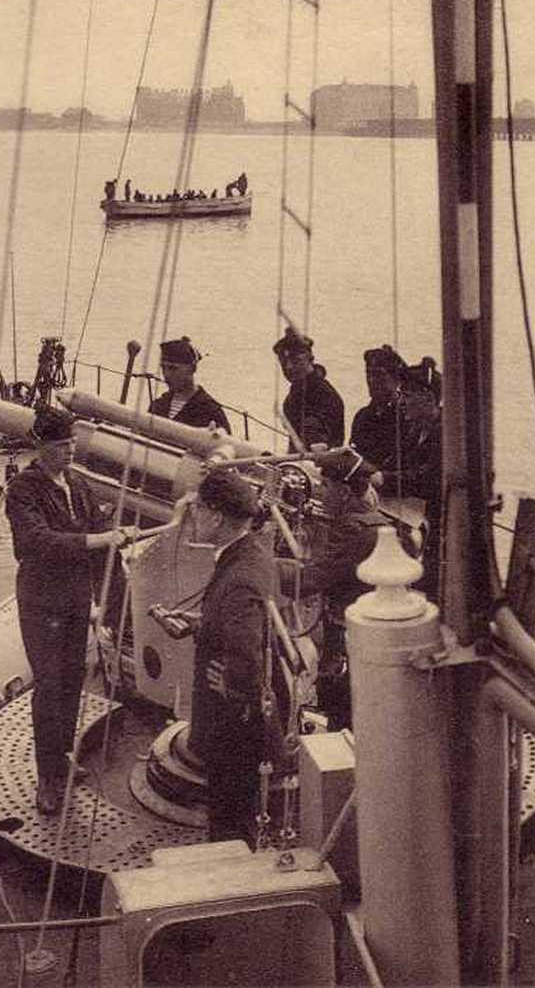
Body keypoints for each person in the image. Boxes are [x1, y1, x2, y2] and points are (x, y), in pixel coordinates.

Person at [5, 406, 130, 816]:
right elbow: (38, 543)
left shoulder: (78, 484)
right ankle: (48, 778)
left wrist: (107, 604)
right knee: (49, 687)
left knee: (74, 682)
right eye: (62, 445)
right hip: (42, 603)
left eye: (73, 443)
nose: (71, 451)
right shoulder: (23, 490)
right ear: (42, 445)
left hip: (76, 601)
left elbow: (99, 542)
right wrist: (101, 539)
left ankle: (62, 760)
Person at [188, 469, 285, 846]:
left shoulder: (239, 575)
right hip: (242, 721)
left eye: (197, 508)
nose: (192, 515)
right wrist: (203, 624)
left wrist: (232, 683)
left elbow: (245, 651)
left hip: (231, 728)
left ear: (216, 516)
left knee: (229, 821)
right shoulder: (253, 554)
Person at [277, 447, 388, 728]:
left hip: (346, 635)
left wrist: (265, 567)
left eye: (326, 486)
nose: (321, 493)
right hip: (365, 632)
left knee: (337, 701)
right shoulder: (374, 521)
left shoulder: (352, 530)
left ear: (345, 491)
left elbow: (312, 580)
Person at [371, 357, 442, 602]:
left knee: (432, 586)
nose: (404, 401)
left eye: (409, 395)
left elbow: (428, 478)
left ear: (429, 398)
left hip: (436, 522)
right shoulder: (414, 430)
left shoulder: (443, 433)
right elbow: (397, 463)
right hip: (411, 517)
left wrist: (385, 479)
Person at [273, 327, 345, 452]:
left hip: (321, 465)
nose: (288, 367)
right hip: (298, 464)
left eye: (295, 361)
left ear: (310, 359)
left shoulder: (322, 392)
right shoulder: (293, 395)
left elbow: (315, 432)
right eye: (283, 362)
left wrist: (315, 441)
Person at [149, 337, 231, 433]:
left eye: (173, 368)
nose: (166, 374)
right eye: (163, 368)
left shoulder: (210, 411)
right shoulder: (158, 406)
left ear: (192, 368)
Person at [350, 344, 408, 469]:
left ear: (396, 379)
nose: (371, 380)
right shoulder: (362, 417)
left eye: (378, 374)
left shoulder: (407, 416)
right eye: (368, 374)